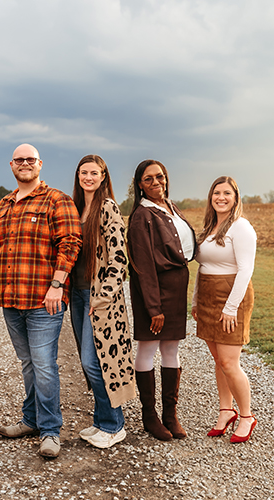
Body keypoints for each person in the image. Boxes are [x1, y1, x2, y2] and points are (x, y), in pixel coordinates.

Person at [0, 143, 82, 459]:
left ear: (40, 164)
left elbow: (70, 244)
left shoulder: (56, 200)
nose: (25, 163)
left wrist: (57, 285)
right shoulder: (5, 204)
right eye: (19, 160)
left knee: (44, 365)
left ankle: (50, 431)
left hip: (44, 300)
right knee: (28, 363)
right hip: (11, 299)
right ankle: (31, 419)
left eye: (31, 159)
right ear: (11, 165)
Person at [70, 155, 136, 449]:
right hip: (77, 294)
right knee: (90, 363)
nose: (88, 177)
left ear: (103, 176)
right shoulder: (76, 208)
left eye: (94, 173)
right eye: (84, 172)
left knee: (95, 361)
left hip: (100, 297)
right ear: (78, 176)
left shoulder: (107, 207)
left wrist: (104, 295)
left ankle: (114, 425)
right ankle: (100, 421)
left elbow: (119, 258)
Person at [127, 160, 195, 441]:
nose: (156, 182)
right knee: (148, 347)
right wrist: (153, 307)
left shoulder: (170, 206)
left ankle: (170, 415)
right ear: (140, 185)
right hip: (154, 290)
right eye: (149, 179)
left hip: (176, 290)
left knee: (171, 347)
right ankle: (149, 416)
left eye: (160, 176)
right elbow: (142, 265)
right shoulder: (142, 215)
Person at [191, 176, 256, 443]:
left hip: (232, 298)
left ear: (235, 197)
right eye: (217, 193)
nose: (221, 197)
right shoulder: (210, 228)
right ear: (211, 197)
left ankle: (247, 416)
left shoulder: (241, 227)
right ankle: (225, 411)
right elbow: (203, 267)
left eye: (227, 193)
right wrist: (195, 299)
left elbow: (246, 270)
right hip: (208, 296)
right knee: (219, 361)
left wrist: (231, 308)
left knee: (229, 362)